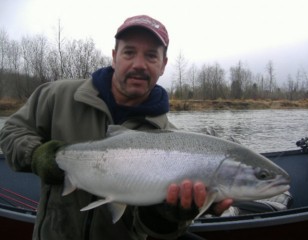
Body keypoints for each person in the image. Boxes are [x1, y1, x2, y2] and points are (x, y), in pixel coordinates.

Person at [0, 15, 232, 240]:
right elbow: (10, 132)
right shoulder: (56, 96)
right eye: (129, 52)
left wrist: (169, 216)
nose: (139, 64)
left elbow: (154, 230)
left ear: (163, 65)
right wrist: (37, 155)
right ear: (114, 56)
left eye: (151, 56)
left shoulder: (169, 139)